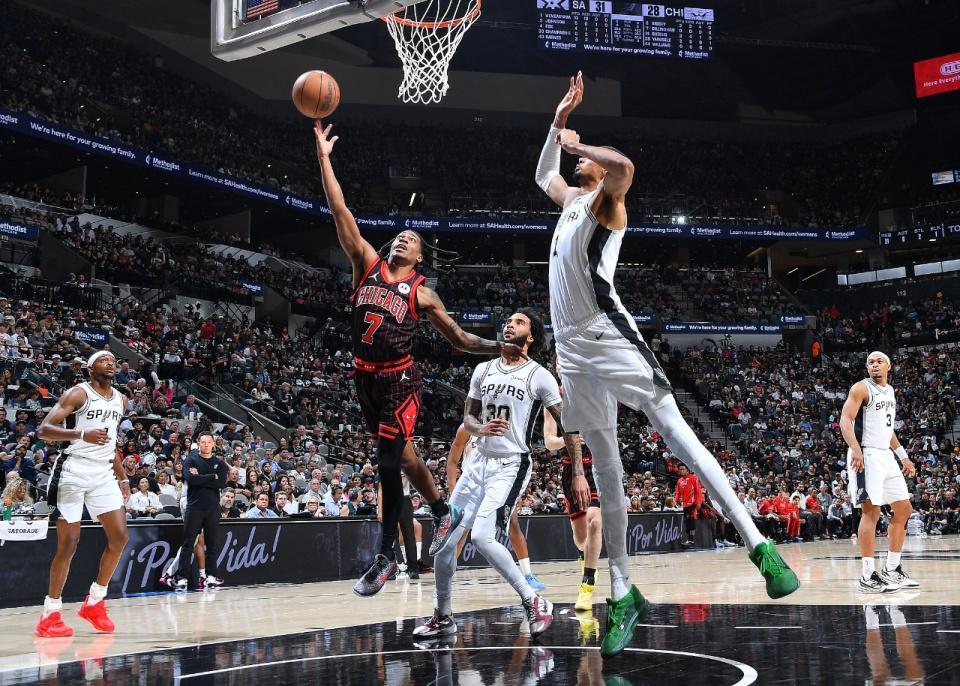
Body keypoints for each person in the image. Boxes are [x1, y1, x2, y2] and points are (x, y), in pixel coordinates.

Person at [536, 72, 798, 657]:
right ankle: (623, 591)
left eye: (586, 161)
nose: (577, 164)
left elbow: (625, 168)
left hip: (606, 333)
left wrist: (581, 142)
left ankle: (759, 545)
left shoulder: (607, 205)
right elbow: (541, 175)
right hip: (570, 350)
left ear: (597, 171)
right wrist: (557, 123)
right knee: (607, 472)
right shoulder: (571, 203)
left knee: (679, 435)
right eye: (579, 159)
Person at [313, 121, 526, 597]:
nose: (402, 239)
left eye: (411, 239)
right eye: (399, 235)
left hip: (400, 380)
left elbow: (459, 339)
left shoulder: (422, 293)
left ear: (420, 257)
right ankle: (443, 509)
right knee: (406, 460)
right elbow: (339, 209)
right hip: (364, 380)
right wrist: (325, 158)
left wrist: (499, 346)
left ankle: (386, 555)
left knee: (387, 462)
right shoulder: (365, 263)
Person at [413, 310, 587, 641]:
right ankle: (443, 616)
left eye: (519, 322)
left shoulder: (539, 376)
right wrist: (481, 428)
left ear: (530, 336)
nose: (510, 324)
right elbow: (469, 418)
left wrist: (578, 472)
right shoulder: (483, 369)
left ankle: (534, 600)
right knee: (445, 544)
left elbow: (568, 425)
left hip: (510, 464)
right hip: (477, 463)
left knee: (482, 536)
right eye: (508, 321)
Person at [35, 351, 129, 638]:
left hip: (103, 472)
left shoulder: (122, 400)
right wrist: (80, 435)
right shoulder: (78, 393)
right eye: (103, 359)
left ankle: (95, 602)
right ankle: (50, 614)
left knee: (119, 537)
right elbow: (43, 430)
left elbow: (110, 443)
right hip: (73, 470)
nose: (110, 362)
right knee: (69, 543)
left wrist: (123, 477)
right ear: (90, 368)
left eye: (113, 360)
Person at [840, 351, 919, 593]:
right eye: (871, 362)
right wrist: (855, 448)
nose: (875, 365)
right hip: (866, 454)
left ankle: (892, 569)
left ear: (888, 366)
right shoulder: (861, 388)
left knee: (904, 508)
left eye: (879, 361)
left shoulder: (890, 391)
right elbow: (845, 419)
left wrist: (903, 456)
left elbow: (888, 429)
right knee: (871, 511)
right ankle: (867, 576)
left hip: (885, 454)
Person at [446, 424, 546, 590]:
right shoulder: (466, 428)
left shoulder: (504, 428)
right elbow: (452, 461)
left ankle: (528, 575)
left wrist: (515, 493)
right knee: (459, 535)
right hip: (473, 486)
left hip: (497, 485)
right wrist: (453, 490)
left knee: (513, 524)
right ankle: (446, 580)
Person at [543, 404, 602, 611]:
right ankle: (585, 557)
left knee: (595, 522)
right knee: (581, 540)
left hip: (598, 467)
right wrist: (570, 439)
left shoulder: (594, 394)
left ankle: (587, 585)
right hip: (572, 470)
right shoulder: (553, 400)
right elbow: (549, 442)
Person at [171, 432, 227, 590]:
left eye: (209, 442)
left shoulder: (220, 463)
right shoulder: (191, 460)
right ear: (198, 443)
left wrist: (201, 478)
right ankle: (181, 578)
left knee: (212, 544)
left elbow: (221, 484)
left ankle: (211, 576)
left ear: (213, 444)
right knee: (188, 544)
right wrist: (212, 477)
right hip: (194, 507)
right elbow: (191, 480)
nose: (206, 445)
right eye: (203, 442)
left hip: (213, 508)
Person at [674, 464, 703, 547]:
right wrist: (675, 501)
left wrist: (699, 502)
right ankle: (689, 540)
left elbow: (698, 491)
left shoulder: (693, 478)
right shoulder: (679, 481)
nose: (681, 471)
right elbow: (677, 493)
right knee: (687, 523)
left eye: (683, 469)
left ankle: (691, 540)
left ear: (687, 470)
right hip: (685, 505)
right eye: (680, 469)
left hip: (692, 503)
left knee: (691, 521)